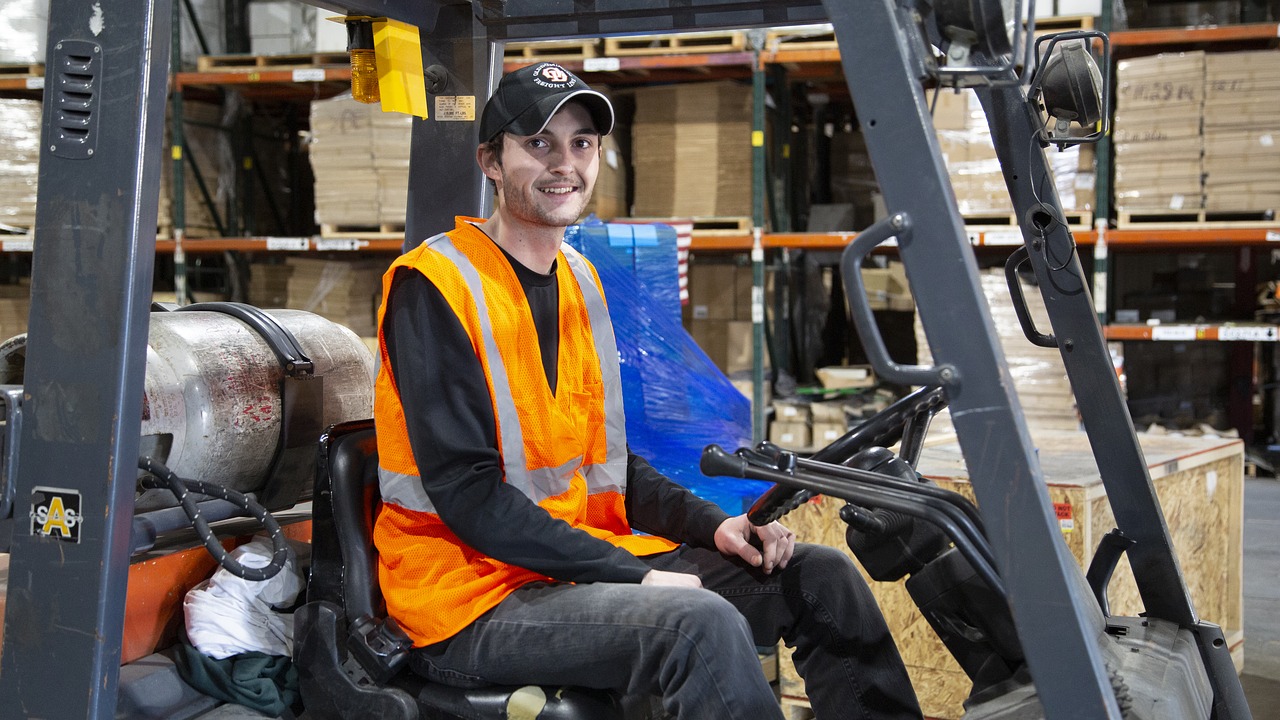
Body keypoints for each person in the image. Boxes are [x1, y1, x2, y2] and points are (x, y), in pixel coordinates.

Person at [371, 61, 922, 719]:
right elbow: (469, 495)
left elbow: (610, 466)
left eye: (581, 143)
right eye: (539, 143)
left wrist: (717, 526)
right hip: (469, 595)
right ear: (491, 160)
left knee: (819, 577)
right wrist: (636, 576)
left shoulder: (580, 280)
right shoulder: (435, 287)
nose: (564, 164)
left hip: (563, 570)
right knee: (695, 622)